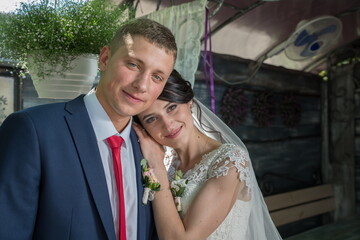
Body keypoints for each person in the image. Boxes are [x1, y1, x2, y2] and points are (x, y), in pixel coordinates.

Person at [0, 18, 177, 240]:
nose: (142, 85)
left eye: (157, 77)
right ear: (104, 58)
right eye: (133, 65)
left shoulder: (151, 150)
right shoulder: (33, 130)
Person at [133, 70, 283, 240]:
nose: (167, 124)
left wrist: (156, 166)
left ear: (189, 102)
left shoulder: (230, 162)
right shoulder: (168, 165)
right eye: (152, 119)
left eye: (172, 107)